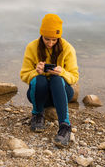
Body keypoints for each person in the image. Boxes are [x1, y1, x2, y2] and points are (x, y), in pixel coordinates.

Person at [20, 14, 79, 147]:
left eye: (54, 40)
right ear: (41, 35)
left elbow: (74, 77)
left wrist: (62, 72)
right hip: (40, 95)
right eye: (47, 39)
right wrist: (36, 71)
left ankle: (65, 126)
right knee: (39, 79)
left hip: (62, 93)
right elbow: (23, 75)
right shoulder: (32, 47)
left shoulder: (68, 48)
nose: (50, 43)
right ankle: (37, 114)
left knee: (56, 79)